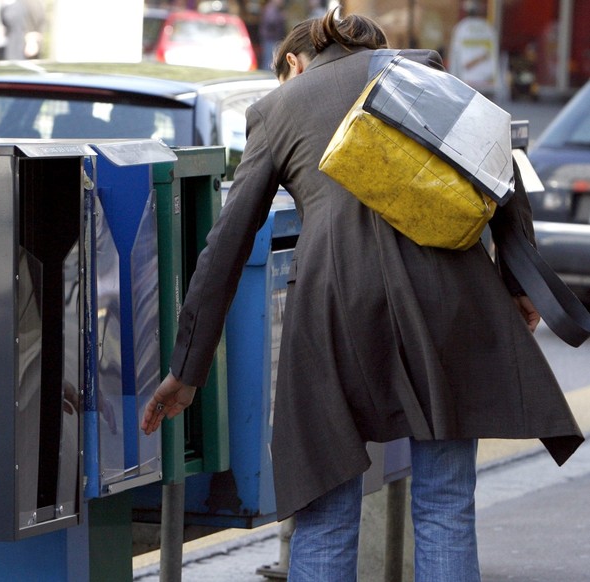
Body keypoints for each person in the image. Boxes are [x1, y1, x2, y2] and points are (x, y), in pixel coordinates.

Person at [141, 6, 583, 581]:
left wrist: (188, 368)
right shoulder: (430, 77)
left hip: (334, 308)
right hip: (449, 298)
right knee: (445, 502)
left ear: (295, 62)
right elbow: (503, 172)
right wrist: (517, 287)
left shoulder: (278, 108)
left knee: (324, 505)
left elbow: (225, 246)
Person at [259, 0, 287, 71]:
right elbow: (271, 21)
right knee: (269, 62)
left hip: (272, 39)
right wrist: (281, 17)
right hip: (270, 39)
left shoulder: (274, 9)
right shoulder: (271, 9)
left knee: (271, 60)